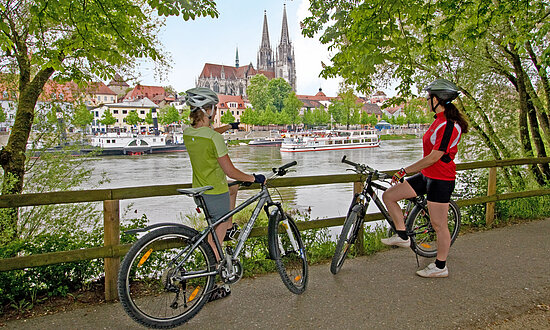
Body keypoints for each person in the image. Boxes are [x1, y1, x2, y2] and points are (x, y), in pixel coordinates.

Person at [182, 87, 265, 299]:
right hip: (216, 192)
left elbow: (209, 133)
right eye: (215, 108)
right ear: (208, 110)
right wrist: (253, 178)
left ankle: (228, 226)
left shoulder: (189, 132)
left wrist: (229, 126)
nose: (216, 111)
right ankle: (211, 288)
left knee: (233, 188)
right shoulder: (213, 139)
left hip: (201, 189)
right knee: (214, 242)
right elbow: (230, 171)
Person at [381, 79, 469, 278]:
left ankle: (440, 267)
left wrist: (405, 170)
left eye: (429, 97)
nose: (427, 100)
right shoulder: (437, 121)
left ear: (437, 100)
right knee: (389, 196)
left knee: (439, 225)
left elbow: (434, 157)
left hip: (441, 180)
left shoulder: (449, 125)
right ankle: (402, 235)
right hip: (427, 176)